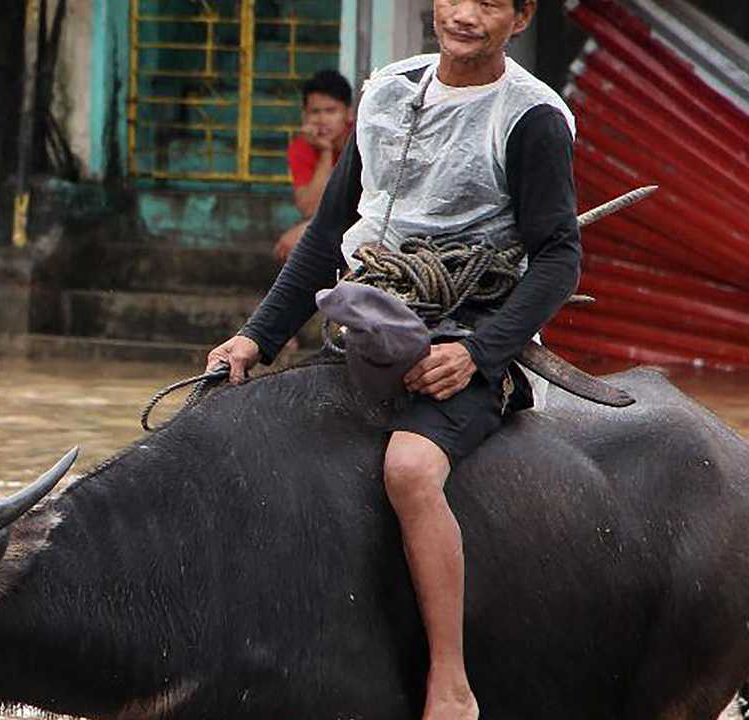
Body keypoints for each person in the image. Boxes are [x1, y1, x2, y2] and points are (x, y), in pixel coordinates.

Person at [205, 1, 578, 718]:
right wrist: (257, 335)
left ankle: (451, 681)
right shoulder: (384, 92)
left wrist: (478, 354)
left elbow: (559, 258)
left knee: (409, 469)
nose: (465, 15)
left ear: (522, 16)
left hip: (463, 336)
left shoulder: (531, 118)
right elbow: (329, 233)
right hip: (364, 327)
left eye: (491, 2)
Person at [274, 69, 355, 263]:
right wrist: (325, 153)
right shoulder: (302, 147)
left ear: (348, 113)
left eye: (331, 111)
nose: (322, 120)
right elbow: (310, 209)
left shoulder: (362, 139)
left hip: (367, 222)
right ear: (304, 116)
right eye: (315, 112)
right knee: (291, 245)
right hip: (331, 224)